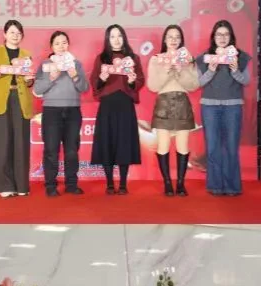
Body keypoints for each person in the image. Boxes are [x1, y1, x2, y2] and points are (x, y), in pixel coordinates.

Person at [196, 20, 251, 197]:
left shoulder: (241, 57)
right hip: (209, 106)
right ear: (213, 37)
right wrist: (211, 70)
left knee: (231, 147)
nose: (222, 38)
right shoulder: (204, 58)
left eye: (226, 34)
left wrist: (235, 70)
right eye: (219, 34)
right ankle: (215, 186)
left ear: (231, 37)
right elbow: (199, 82)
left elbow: (246, 80)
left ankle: (232, 187)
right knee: (213, 147)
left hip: (233, 106)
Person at [0, 19, 36, 197]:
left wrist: (29, 80)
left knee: (21, 142)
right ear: (4, 34)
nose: (15, 35)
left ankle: (21, 186)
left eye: (19, 33)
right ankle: (4, 186)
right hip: (0, 101)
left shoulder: (26, 55)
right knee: (1, 142)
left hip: (20, 100)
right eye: (12, 32)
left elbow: (29, 82)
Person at [33, 31, 88, 197]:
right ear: (52, 46)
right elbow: (37, 89)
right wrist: (51, 77)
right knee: (51, 149)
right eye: (57, 43)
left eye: (64, 42)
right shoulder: (45, 65)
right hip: (51, 111)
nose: (61, 46)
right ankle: (50, 185)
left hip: (73, 110)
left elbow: (84, 88)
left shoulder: (76, 64)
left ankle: (71, 184)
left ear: (68, 45)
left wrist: (75, 76)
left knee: (72, 150)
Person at [92, 23, 144, 195]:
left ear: (124, 38)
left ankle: (122, 184)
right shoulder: (101, 58)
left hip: (125, 105)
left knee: (124, 143)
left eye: (119, 36)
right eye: (112, 36)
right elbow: (94, 82)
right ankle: (109, 183)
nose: (116, 39)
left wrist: (132, 81)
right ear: (108, 39)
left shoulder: (133, 58)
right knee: (106, 142)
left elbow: (140, 80)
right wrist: (102, 78)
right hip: (107, 105)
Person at [148, 24, 199, 197]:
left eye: (177, 37)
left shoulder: (188, 59)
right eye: (170, 36)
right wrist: (166, 72)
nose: (173, 40)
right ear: (164, 39)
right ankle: (167, 183)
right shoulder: (156, 59)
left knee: (182, 146)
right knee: (163, 146)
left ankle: (181, 183)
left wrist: (180, 72)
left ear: (181, 40)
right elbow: (153, 86)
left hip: (182, 103)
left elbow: (194, 85)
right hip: (164, 104)